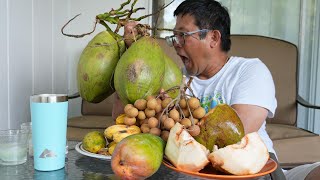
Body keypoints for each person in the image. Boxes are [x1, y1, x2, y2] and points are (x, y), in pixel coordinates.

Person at [113, 0, 320, 179]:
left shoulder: (249, 70)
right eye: (173, 37)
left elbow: (237, 134)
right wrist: (130, 54)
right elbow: (123, 119)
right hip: (186, 171)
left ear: (213, 38)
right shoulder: (175, 79)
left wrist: (176, 136)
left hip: (246, 171)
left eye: (183, 35)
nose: (176, 44)